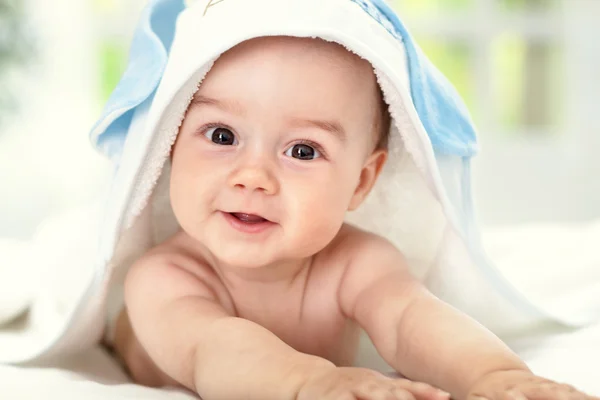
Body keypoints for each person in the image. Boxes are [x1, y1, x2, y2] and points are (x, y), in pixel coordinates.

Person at [108, 35, 596, 400]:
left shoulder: (357, 262)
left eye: (302, 149)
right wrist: (309, 383)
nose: (252, 176)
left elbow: (411, 319)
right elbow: (212, 349)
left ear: (361, 182)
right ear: (169, 143)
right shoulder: (162, 277)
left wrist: (495, 376)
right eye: (221, 136)